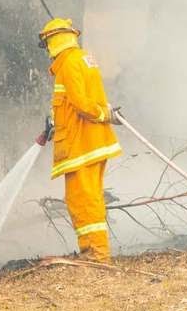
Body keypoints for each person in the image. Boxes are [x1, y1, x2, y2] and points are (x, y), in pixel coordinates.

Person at [35, 18, 122, 262]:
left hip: (82, 145)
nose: (48, 51)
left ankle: (96, 254)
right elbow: (74, 102)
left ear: (53, 41)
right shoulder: (84, 59)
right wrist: (55, 121)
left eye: (47, 44)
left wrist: (103, 114)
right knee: (88, 197)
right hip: (91, 142)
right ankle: (94, 251)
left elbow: (82, 104)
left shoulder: (68, 64)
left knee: (82, 200)